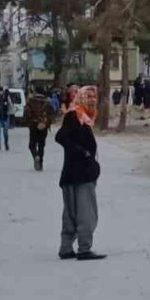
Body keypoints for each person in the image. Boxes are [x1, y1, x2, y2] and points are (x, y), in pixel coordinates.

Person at [55, 85, 104, 260]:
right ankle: (84, 249)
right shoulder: (75, 114)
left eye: (94, 97)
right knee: (86, 214)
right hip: (80, 174)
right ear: (81, 97)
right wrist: (82, 152)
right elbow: (60, 137)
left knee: (71, 213)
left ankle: (66, 249)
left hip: (73, 173)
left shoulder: (82, 116)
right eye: (88, 96)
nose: (92, 100)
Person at [24, 88, 54, 171]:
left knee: (32, 145)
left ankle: (35, 156)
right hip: (44, 126)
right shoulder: (47, 102)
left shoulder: (31, 101)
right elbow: (52, 114)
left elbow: (26, 113)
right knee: (41, 145)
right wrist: (46, 123)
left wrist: (31, 123)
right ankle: (40, 163)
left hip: (33, 126)